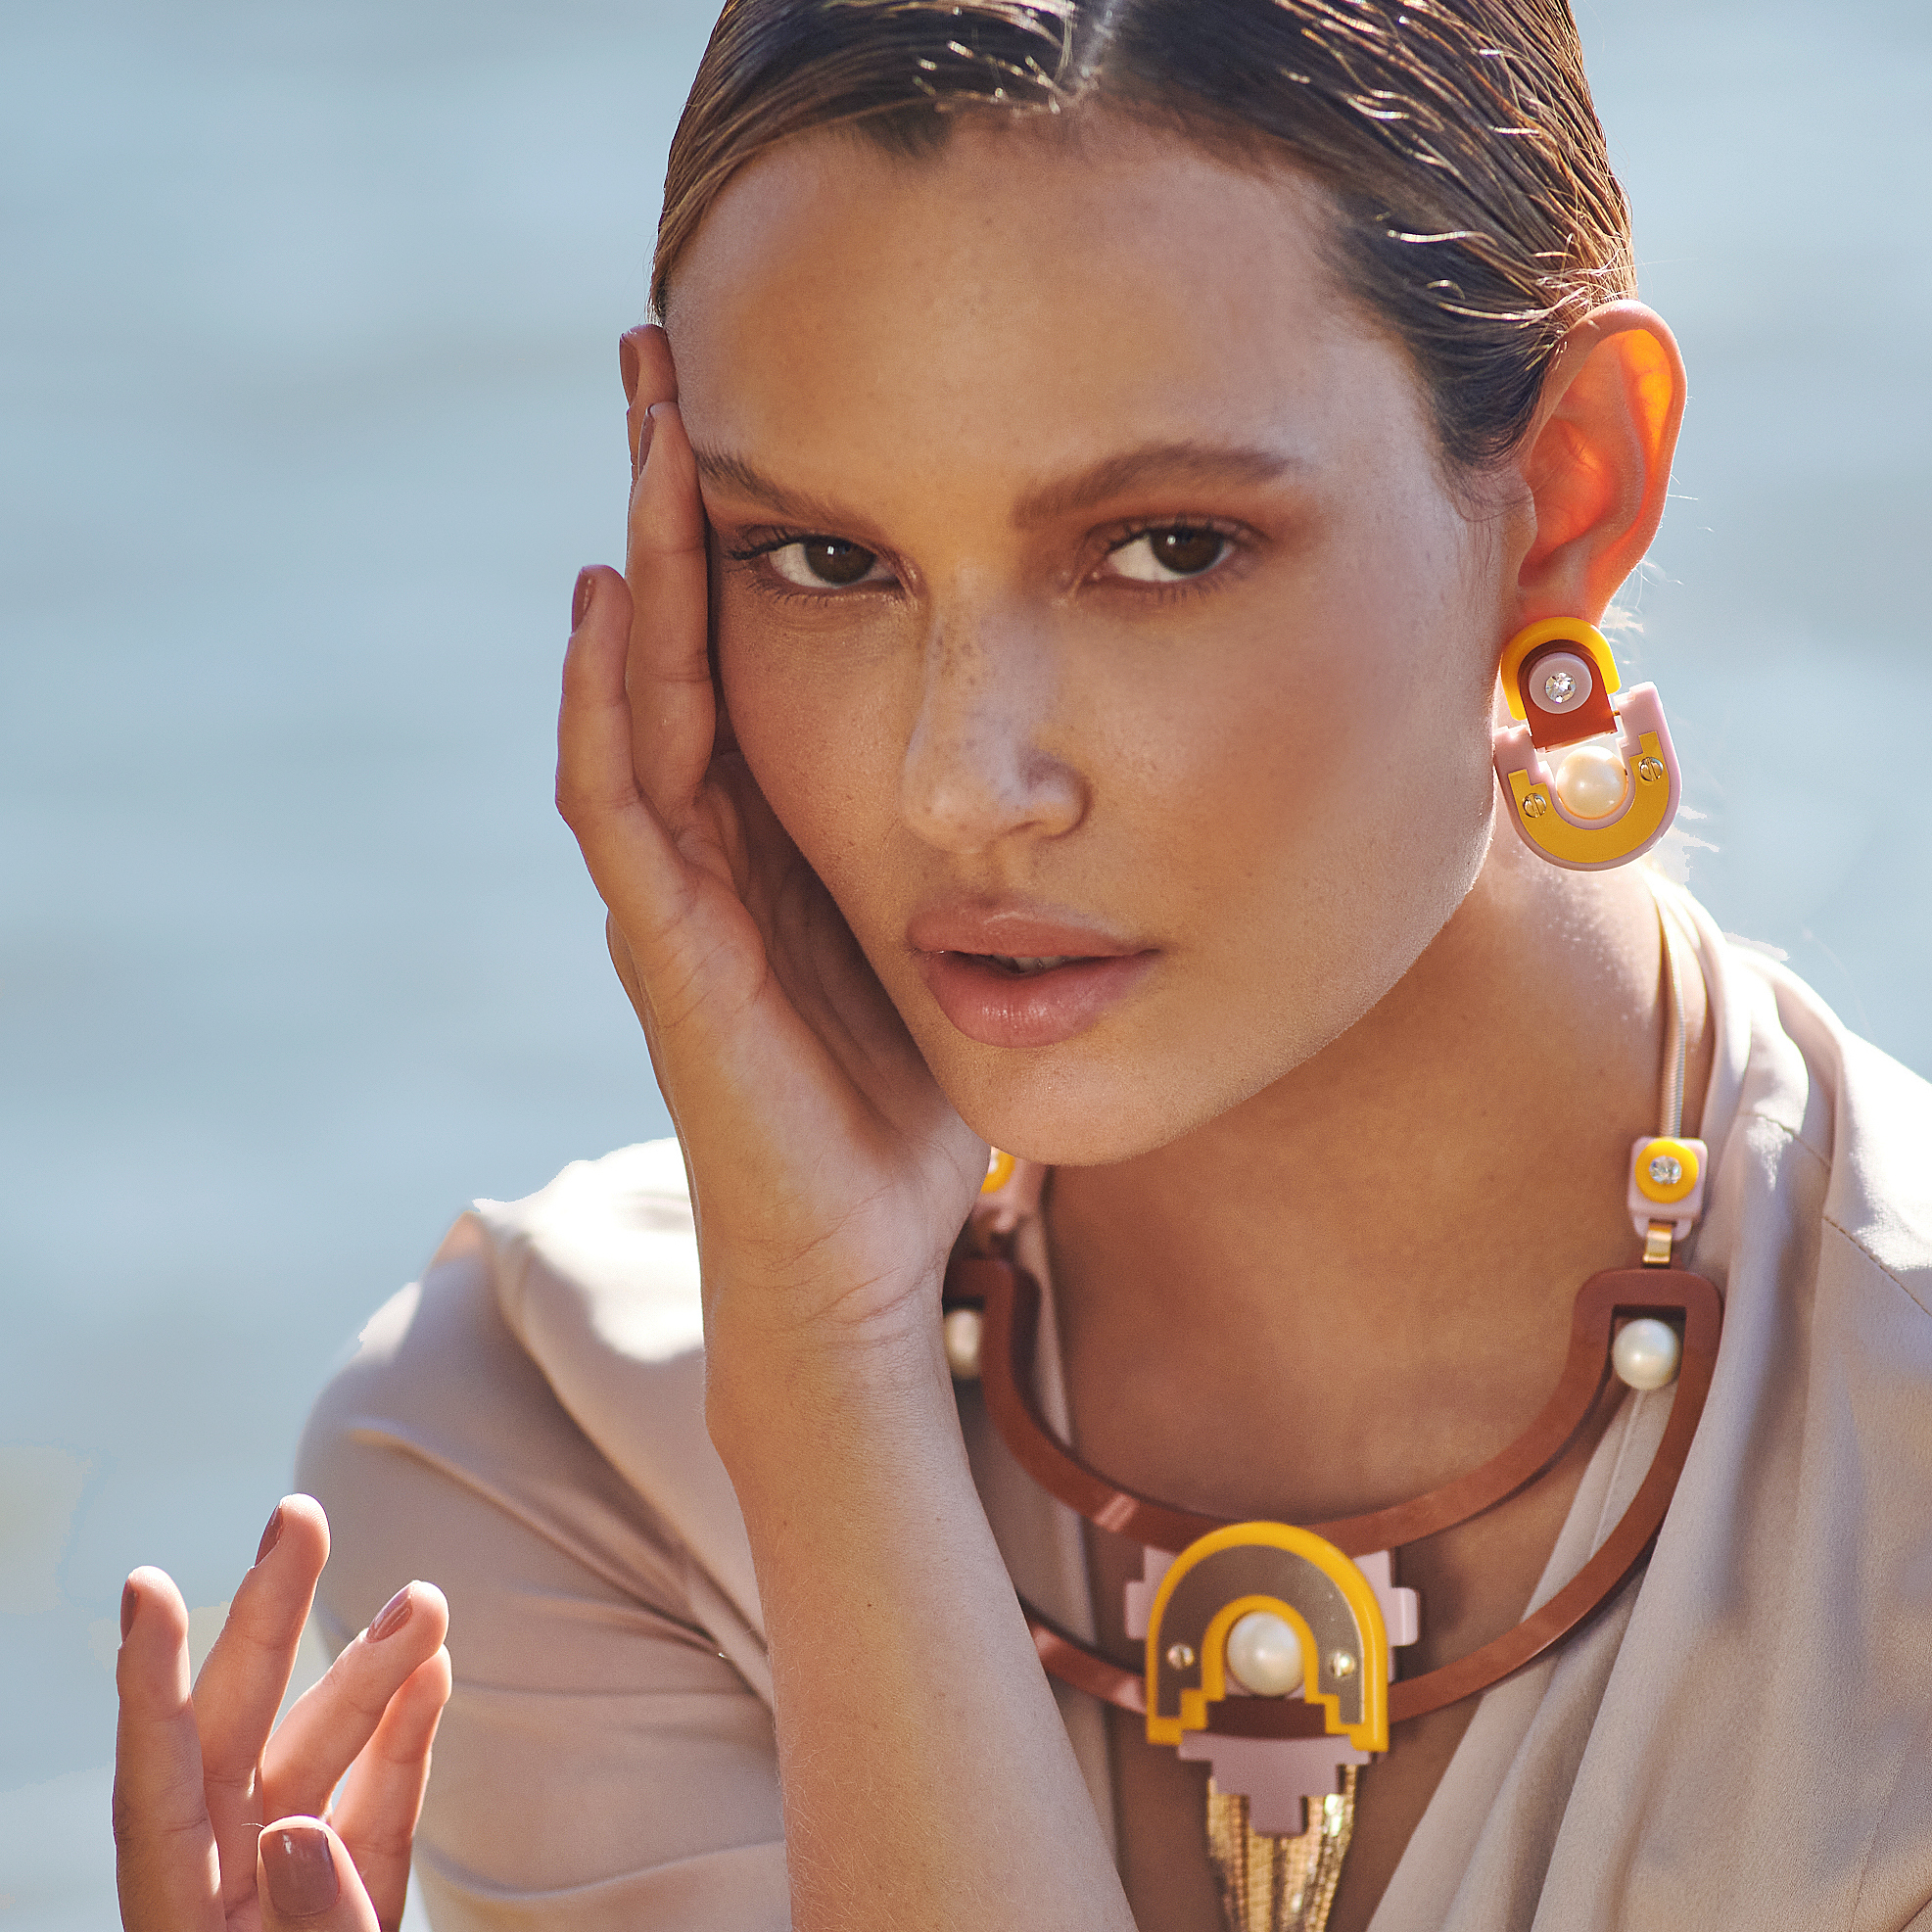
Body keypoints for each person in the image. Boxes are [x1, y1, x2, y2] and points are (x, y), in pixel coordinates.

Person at [112, 2, 1932, 1929]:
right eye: (821, 560)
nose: (961, 785)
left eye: (1163, 547)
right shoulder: (558, 1447)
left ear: (1568, 491)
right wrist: (822, 1364)